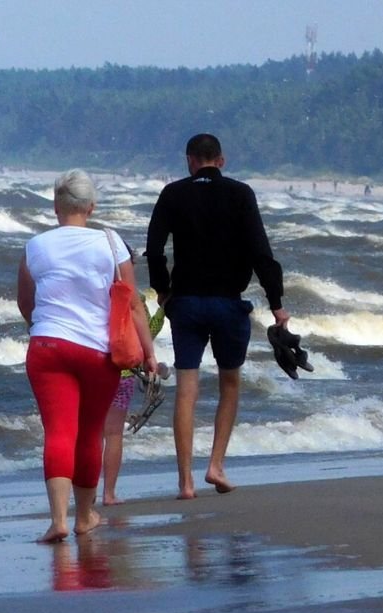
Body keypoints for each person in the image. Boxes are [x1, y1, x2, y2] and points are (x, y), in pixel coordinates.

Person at [144, 133, 290, 500]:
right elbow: (261, 252)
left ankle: (185, 483)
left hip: (187, 303)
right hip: (228, 303)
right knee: (229, 384)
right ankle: (215, 465)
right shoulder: (241, 194)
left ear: (190, 160)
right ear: (220, 160)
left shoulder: (173, 194)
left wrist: (162, 289)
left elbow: (154, 248)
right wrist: (277, 304)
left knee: (186, 390)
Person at [18, 169, 158, 543]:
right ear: (91, 207)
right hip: (98, 353)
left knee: (58, 431)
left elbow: (26, 304)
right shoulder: (111, 244)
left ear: (55, 207)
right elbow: (133, 304)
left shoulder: (36, 246)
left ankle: (56, 520)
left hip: (47, 347)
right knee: (90, 433)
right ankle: (83, 516)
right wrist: (149, 352)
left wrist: (47, 329)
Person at [101, 290, 167, 505]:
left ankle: (86, 492)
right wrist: (164, 307)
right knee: (113, 435)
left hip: (95, 368)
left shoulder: (95, 289)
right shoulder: (134, 297)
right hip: (125, 374)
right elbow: (149, 330)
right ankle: (108, 494)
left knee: (89, 433)